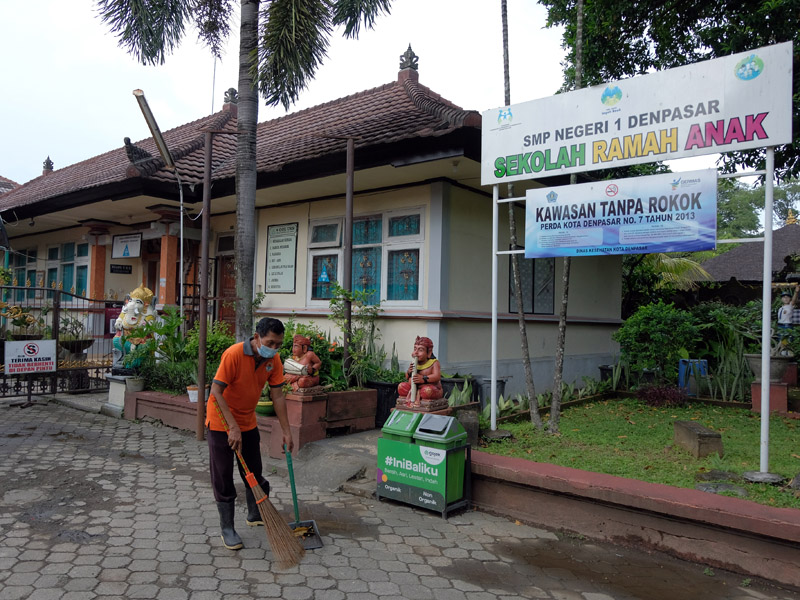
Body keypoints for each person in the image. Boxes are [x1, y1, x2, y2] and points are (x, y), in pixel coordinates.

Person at [206, 317, 293, 550]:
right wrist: (232, 427)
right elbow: (216, 391)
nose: (274, 349)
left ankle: (255, 514)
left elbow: (278, 396)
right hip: (220, 422)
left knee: (254, 471)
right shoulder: (234, 354)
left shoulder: (273, 361)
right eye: (270, 343)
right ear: (257, 338)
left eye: (278, 344)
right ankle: (227, 529)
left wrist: (286, 430)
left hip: (247, 421)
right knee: (223, 476)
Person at [397, 336, 443, 407]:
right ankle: (410, 399)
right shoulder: (414, 363)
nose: (416, 352)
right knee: (401, 386)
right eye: (415, 349)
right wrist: (409, 371)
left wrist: (423, 378)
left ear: (429, 352)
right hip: (414, 388)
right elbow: (407, 377)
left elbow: (437, 376)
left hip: (429, 388)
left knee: (427, 391)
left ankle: (420, 400)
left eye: (420, 350)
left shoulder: (434, 363)